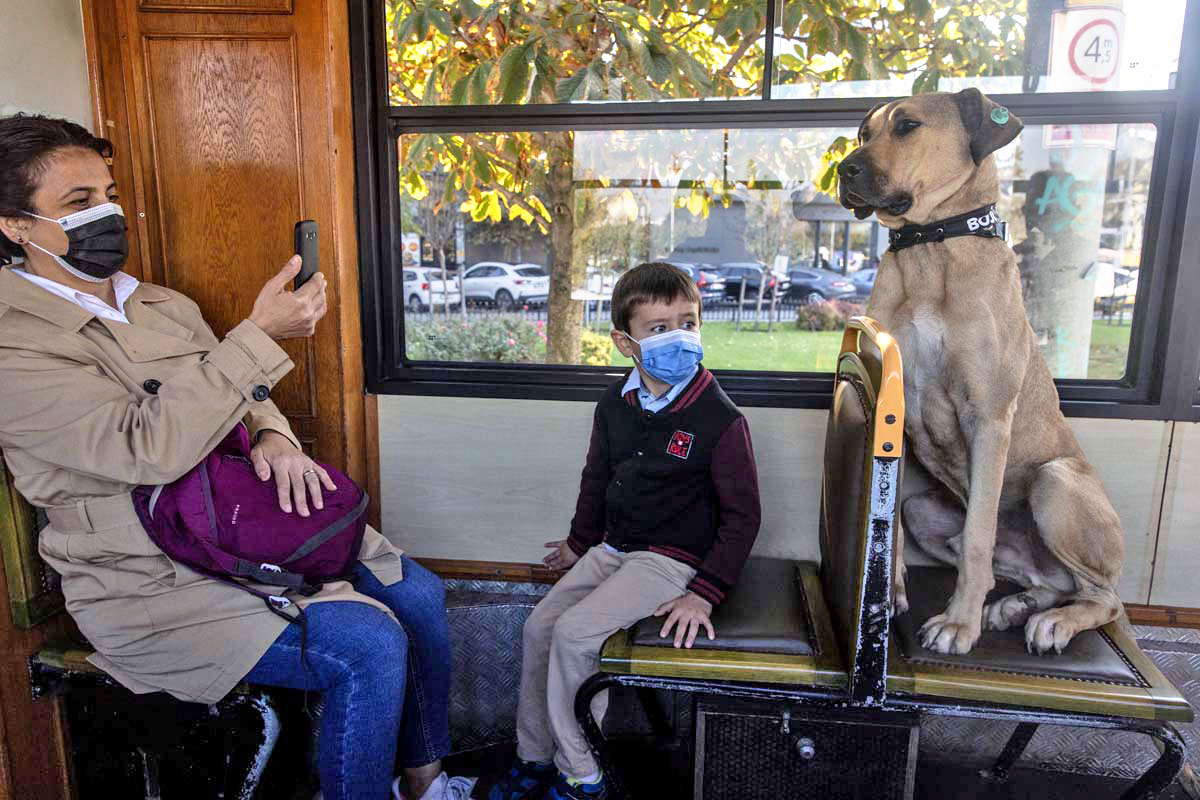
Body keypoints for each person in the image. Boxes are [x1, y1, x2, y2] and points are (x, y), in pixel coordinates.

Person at [0, 114, 472, 800]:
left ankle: (425, 786)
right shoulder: (16, 345)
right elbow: (144, 445)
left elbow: (240, 394)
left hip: (241, 520)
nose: (106, 213)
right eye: (78, 204)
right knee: (367, 644)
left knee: (416, 595)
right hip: (149, 577)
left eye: (108, 193)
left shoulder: (163, 304)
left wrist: (275, 434)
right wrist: (258, 334)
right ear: (15, 225)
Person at [491, 263, 762, 800]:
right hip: (613, 548)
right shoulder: (616, 404)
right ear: (625, 342)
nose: (679, 337)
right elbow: (598, 479)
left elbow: (743, 517)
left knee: (575, 635)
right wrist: (576, 543)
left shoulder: (718, 418)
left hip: (671, 562)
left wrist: (704, 595)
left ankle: (582, 773)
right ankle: (535, 756)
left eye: (688, 322)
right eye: (659, 329)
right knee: (540, 627)